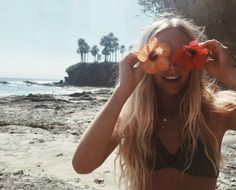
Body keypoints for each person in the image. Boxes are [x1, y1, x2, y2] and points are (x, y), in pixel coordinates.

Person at [72, 16, 236, 190]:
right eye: (161, 54)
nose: (172, 66)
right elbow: (83, 165)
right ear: (146, 59)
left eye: (183, 54)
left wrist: (230, 75)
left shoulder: (217, 110)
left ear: (196, 57)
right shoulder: (132, 117)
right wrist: (122, 91)